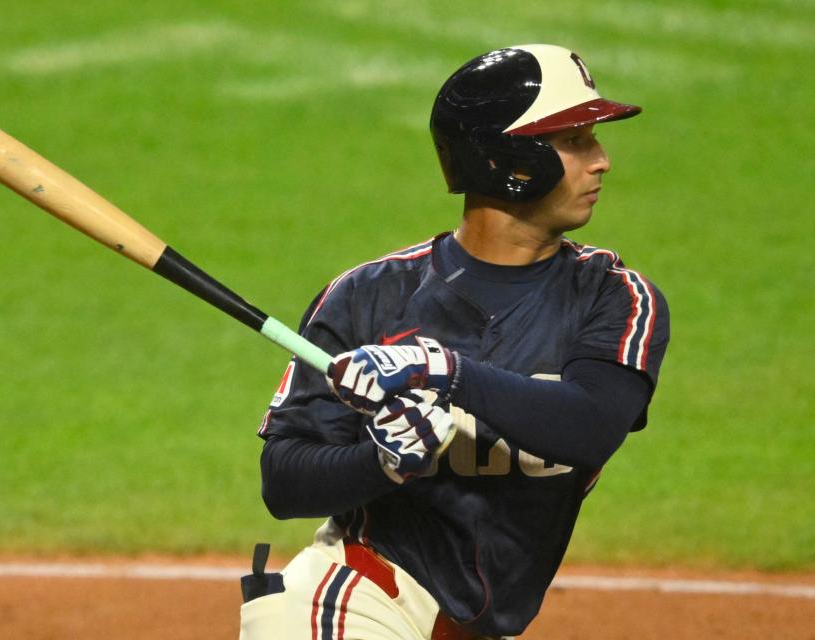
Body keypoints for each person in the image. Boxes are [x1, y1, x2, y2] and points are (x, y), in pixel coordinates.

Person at [239, 44, 670, 640]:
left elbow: (592, 424)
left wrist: (443, 371)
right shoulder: (370, 297)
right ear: (508, 158)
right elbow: (283, 481)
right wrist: (383, 464)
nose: (602, 161)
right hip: (360, 598)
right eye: (575, 142)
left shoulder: (612, 298)